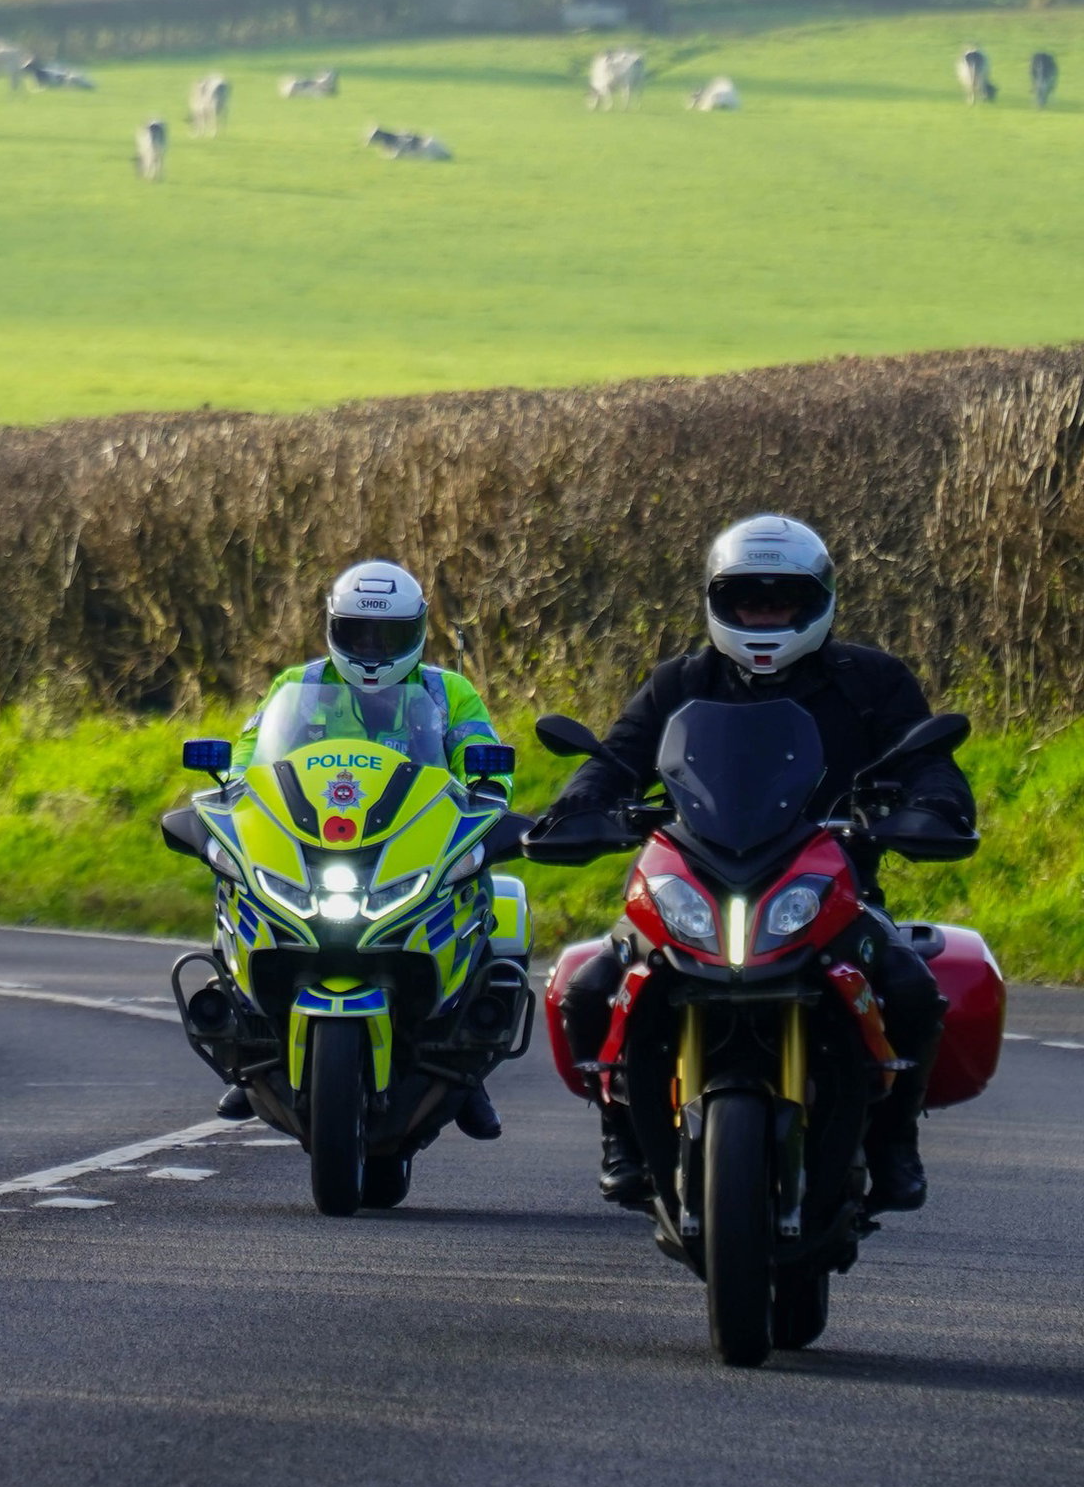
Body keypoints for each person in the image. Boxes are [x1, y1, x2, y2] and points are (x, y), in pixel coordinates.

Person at [531, 515, 975, 1213]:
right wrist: (582, 806)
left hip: (831, 885)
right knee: (589, 989)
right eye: (748, 599)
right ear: (716, 599)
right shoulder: (680, 680)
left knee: (913, 991)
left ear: (818, 600)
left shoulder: (873, 681)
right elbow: (617, 759)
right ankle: (621, 1132)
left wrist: (935, 807)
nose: (764, 614)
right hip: (694, 882)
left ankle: (893, 1141)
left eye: (782, 599)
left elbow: (927, 760)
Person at [218, 558, 512, 1141]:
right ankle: (249, 1036)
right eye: (359, 634)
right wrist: (228, 796)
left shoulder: (447, 691)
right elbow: (247, 761)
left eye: (390, 635)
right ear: (333, 628)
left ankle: (469, 1065)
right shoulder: (297, 688)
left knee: (494, 902)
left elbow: (486, 763)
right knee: (235, 878)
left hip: (410, 847)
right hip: (312, 843)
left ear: (419, 630)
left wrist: (488, 793)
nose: (374, 648)